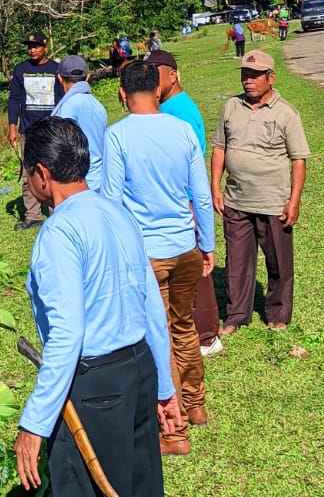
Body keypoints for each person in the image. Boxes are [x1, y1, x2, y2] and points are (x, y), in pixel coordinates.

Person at [14, 117, 180, 497]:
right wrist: (164, 387)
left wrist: (35, 423)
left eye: (27, 174)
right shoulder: (114, 214)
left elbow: (67, 339)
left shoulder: (58, 236)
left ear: (41, 174)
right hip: (136, 372)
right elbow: (150, 305)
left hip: (93, 390)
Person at [102, 60, 214, 450]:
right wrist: (208, 244)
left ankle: (174, 431)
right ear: (158, 89)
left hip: (146, 255)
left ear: (121, 93)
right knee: (184, 327)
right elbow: (200, 195)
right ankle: (196, 405)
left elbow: (112, 200)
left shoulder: (116, 137)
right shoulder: (182, 130)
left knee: (158, 335)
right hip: (185, 247)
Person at [210, 50, 310, 333]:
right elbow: (220, 148)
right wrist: (215, 187)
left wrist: (294, 201)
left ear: (271, 78)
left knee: (278, 261)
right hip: (236, 199)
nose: (248, 81)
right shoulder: (231, 107)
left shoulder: (286, 113)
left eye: (255, 75)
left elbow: (298, 160)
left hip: (273, 201)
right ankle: (236, 315)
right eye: (245, 75)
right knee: (237, 262)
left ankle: (278, 314)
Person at [146, 49, 222, 359]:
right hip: (172, 203)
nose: (151, 81)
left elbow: (191, 166)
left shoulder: (182, 111)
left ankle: (207, 336)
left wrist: (191, 205)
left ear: (173, 75)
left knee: (196, 273)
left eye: (156, 74)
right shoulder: (165, 107)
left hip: (185, 202)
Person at [7, 33, 63, 230]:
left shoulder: (56, 70)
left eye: (36, 46)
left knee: (54, 171)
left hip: (51, 129)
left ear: (45, 47)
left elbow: (63, 97)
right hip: (28, 130)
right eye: (30, 46)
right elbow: (14, 100)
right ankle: (33, 215)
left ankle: (57, 213)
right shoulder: (21, 69)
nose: (32, 49)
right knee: (29, 172)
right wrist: (12, 126)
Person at [51, 55, 107, 190]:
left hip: (77, 184)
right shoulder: (97, 105)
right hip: (99, 179)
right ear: (87, 77)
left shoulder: (67, 107)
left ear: (59, 78)